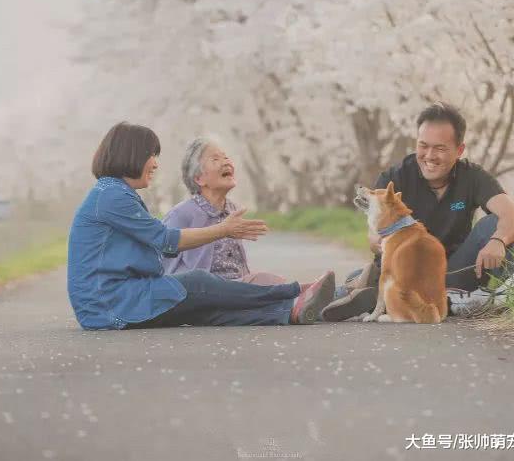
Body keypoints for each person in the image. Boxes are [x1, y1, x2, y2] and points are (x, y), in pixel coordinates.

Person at [67, 122, 335, 330]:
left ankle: (292, 311)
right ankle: (297, 291)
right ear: (132, 154)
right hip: (109, 303)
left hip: (111, 302)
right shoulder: (111, 195)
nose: (156, 164)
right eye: (152, 155)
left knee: (202, 309)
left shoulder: (114, 193)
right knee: (198, 283)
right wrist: (223, 230)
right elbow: (165, 240)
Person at [322, 102, 514, 321]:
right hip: (405, 272)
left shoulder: (472, 177)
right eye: (423, 145)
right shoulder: (395, 177)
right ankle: (375, 293)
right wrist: (381, 242)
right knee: (369, 277)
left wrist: (498, 240)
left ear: (459, 150)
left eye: (440, 148)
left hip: (453, 271)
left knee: (496, 224)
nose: (429, 155)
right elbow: (374, 235)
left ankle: (513, 298)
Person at [161, 136, 291, 286]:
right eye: (215, 159)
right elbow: (165, 269)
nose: (226, 162)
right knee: (269, 283)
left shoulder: (232, 210)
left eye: (226, 157)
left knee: (275, 284)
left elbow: (236, 266)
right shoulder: (181, 214)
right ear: (199, 179)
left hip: (235, 288)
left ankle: (307, 294)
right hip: (204, 293)